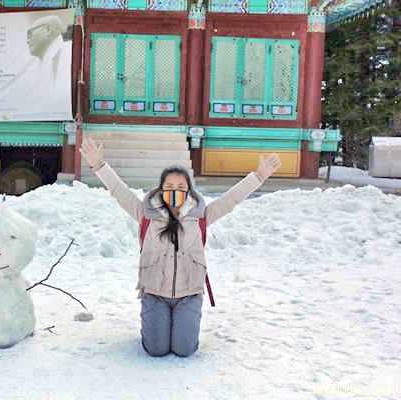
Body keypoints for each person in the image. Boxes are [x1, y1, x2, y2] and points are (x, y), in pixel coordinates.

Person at [79, 137, 281, 357]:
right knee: (156, 349)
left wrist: (259, 176)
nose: (175, 191)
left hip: (189, 294)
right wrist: (98, 165)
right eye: (169, 187)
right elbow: (120, 191)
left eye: (181, 187)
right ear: (161, 190)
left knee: (184, 350)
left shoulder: (201, 216)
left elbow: (231, 199)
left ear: (189, 191)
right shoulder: (146, 214)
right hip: (154, 293)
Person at [25, 15, 72, 93]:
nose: (27, 41)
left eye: (30, 34)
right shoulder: (44, 61)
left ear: (48, 29)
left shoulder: (68, 51)